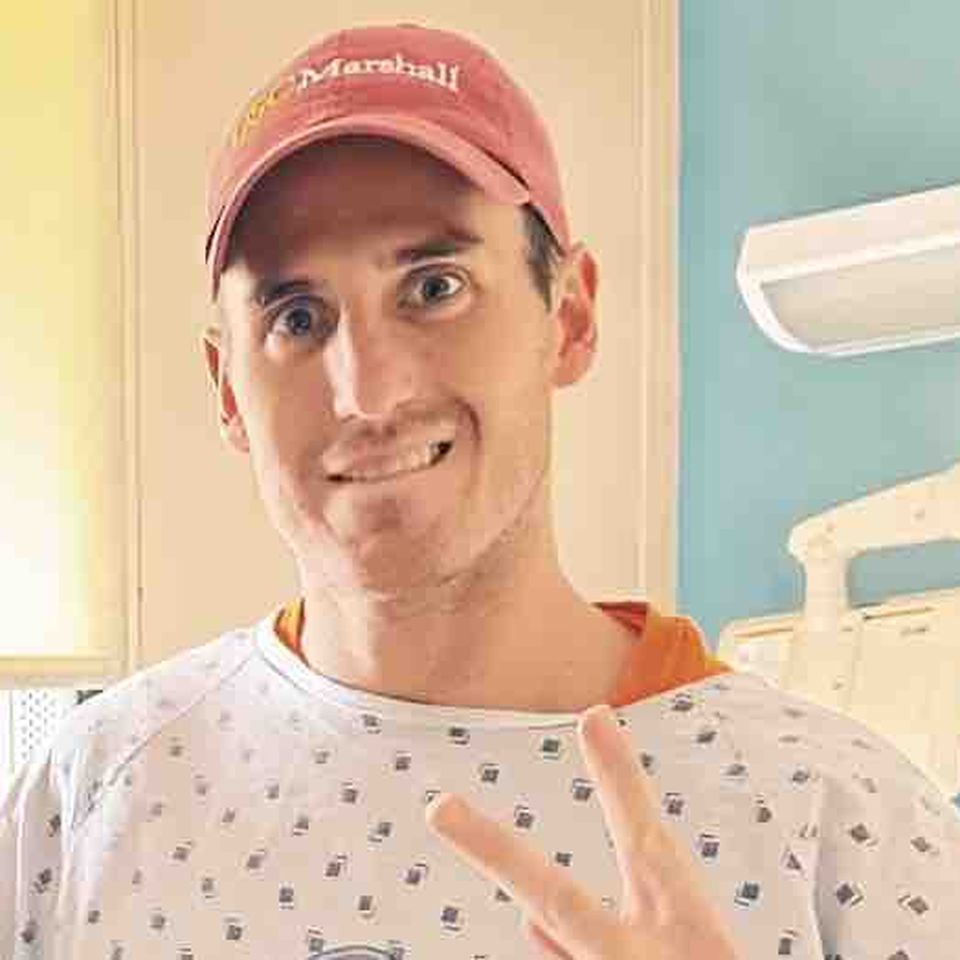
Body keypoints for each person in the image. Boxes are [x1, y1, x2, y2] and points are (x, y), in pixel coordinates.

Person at [2, 22, 958, 959]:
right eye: (296, 317)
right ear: (227, 391)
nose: (368, 392)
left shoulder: (848, 831)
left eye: (435, 287)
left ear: (568, 316)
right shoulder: (86, 803)